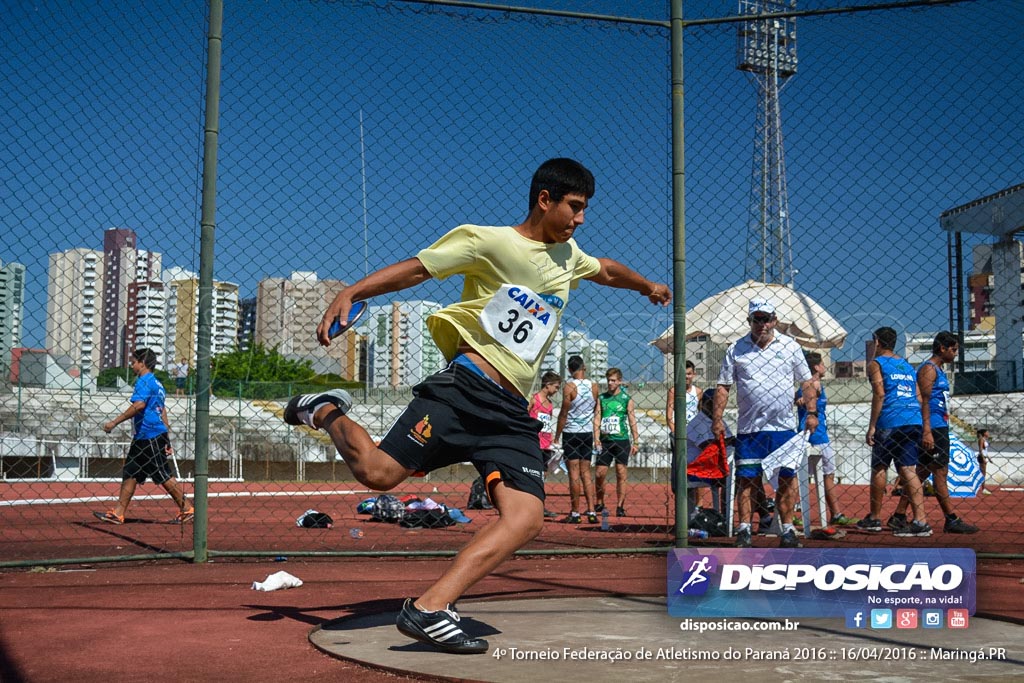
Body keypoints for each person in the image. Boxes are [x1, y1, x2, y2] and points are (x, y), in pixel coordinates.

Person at [280, 158, 670, 654]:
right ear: (545, 199)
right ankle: (323, 409)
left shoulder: (569, 256)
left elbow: (608, 269)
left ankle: (430, 608)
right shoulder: (490, 241)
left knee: (526, 518)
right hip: (466, 390)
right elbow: (417, 271)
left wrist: (647, 286)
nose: (580, 219)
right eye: (574, 207)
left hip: (512, 412)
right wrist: (354, 290)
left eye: (585, 210)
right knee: (378, 475)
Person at [712, 298, 816, 549]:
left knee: (787, 479)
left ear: (775, 320)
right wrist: (717, 419)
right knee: (746, 480)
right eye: (757, 319)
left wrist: (812, 412)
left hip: (783, 429)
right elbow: (723, 387)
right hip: (749, 429)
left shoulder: (790, 346)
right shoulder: (736, 349)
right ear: (749, 321)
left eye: (766, 318)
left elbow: (807, 382)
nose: (762, 324)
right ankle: (744, 530)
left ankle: (788, 529)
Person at [889, 332, 979, 534]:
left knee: (922, 472)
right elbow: (923, 401)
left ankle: (899, 515)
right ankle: (951, 518)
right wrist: (927, 430)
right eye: (953, 349)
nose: (955, 354)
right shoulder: (928, 370)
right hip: (933, 427)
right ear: (942, 348)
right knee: (940, 472)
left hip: (940, 425)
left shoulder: (938, 370)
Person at [98, 348, 193, 525]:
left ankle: (187, 508)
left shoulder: (143, 381)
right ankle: (118, 513)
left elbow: (140, 405)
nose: (132, 365)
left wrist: (114, 422)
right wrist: (165, 437)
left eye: (133, 362)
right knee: (131, 472)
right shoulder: (158, 384)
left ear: (142, 363)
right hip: (147, 435)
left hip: (149, 434)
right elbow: (162, 411)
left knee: (161, 474)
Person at [859, 326, 931, 537]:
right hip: (912, 418)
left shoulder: (876, 363)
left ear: (877, 341)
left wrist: (872, 425)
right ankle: (920, 520)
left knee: (880, 466)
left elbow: (879, 394)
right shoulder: (906, 365)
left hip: (890, 418)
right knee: (909, 469)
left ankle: (874, 518)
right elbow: (918, 397)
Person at [795, 351, 850, 526]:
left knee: (802, 475)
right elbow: (801, 397)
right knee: (827, 473)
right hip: (817, 435)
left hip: (811, 433)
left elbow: (799, 398)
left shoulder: (807, 385)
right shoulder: (813, 384)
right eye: (823, 364)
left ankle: (795, 510)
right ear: (816, 367)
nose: (825, 367)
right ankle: (835, 513)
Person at [553, 355, 599, 525]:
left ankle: (575, 512)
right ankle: (592, 510)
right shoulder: (594, 386)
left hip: (572, 432)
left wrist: (557, 435)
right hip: (587, 432)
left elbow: (564, 413)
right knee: (586, 473)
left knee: (573, 473)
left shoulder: (569, 387)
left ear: (570, 370)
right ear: (584, 367)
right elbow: (595, 409)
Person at [594, 367, 639, 517]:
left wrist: (636, 441)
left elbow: (632, 420)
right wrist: (596, 439)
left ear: (619, 381)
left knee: (621, 473)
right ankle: (600, 501)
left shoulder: (627, 399)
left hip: (622, 441)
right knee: (600, 473)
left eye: (613, 380)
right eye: (608, 380)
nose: (610, 383)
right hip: (605, 441)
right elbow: (597, 419)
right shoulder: (602, 398)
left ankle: (620, 506)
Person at [686, 388, 733, 511]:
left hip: (716, 464)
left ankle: (763, 513)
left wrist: (730, 441)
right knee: (735, 479)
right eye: (710, 403)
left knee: (747, 476)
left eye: (716, 404)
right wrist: (729, 441)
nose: (713, 407)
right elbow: (707, 446)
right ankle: (724, 514)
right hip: (698, 468)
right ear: (702, 404)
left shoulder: (717, 420)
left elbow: (730, 439)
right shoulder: (697, 422)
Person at [667, 361, 702, 503]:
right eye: (684, 374)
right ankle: (682, 503)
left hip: (694, 436)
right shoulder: (673, 391)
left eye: (689, 374)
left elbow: (701, 414)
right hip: (679, 435)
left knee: (696, 469)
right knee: (680, 469)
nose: (686, 377)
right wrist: (677, 433)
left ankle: (698, 504)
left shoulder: (698, 392)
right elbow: (669, 416)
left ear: (693, 374)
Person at [530, 370, 562, 519]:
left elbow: (548, 423)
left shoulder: (549, 404)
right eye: (556, 387)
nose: (557, 391)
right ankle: (532, 505)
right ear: (547, 385)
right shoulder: (534, 400)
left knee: (542, 475)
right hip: (534, 442)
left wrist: (553, 439)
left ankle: (539, 504)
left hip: (546, 444)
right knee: (533, 475)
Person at [977, 428, 992, 495]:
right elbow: (980, 450)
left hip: (984, 456)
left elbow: (985, 450)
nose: (988, 433)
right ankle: (983, 489)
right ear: (984, 433)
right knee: (983, 474)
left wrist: (989, 458)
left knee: (983, 474)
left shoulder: (984, 440)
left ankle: (983, 488)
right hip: (981, 457)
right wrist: (983, 458)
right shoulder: (981, 440)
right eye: (987, 432)